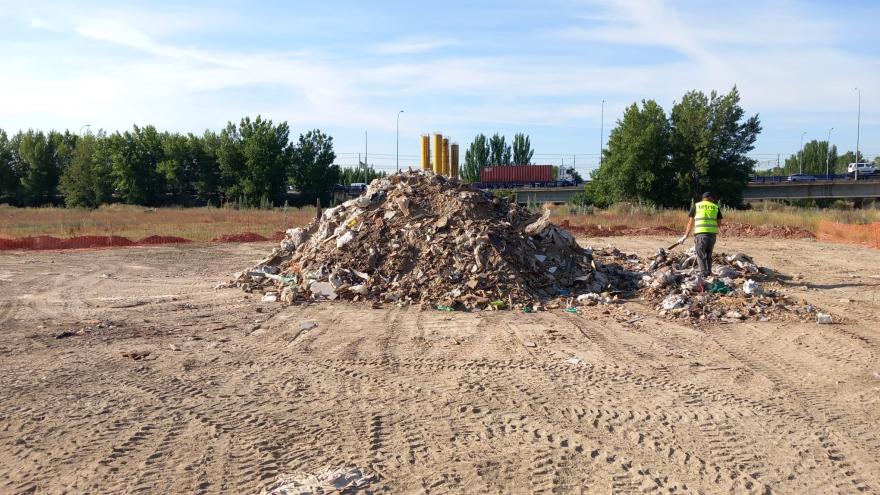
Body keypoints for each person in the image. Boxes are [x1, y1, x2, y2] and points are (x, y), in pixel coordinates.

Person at [678, 192, 722, 277]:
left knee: (700, 255)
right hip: (712, 235)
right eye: (712, 198)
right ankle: (708, 272)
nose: (713, 200)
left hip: (701, 235)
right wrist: (712, 229)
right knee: (709, 255)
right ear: (708, 197)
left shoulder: (697, 206)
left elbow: (690, 222)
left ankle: (703, 273)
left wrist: (685, 236)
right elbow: (719, 223)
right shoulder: (715, 207)